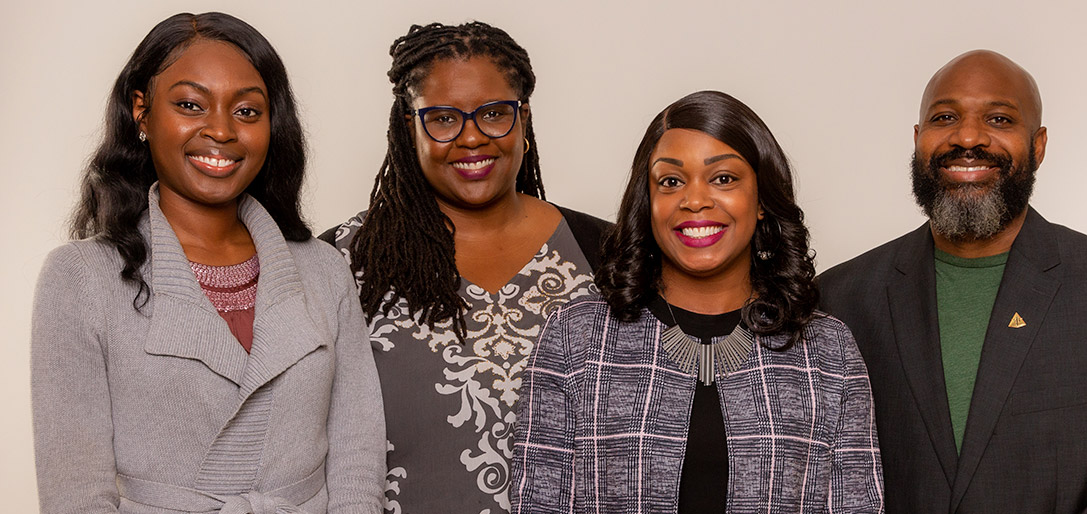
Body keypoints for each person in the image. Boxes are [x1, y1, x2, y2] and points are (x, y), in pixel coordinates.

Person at [30, 12, 385, 513]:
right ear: (141, 112)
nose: (220, 130)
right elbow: (75, 494)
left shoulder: (324, 270)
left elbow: (357, 463)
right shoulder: (79, 279)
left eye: (246, 111)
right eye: (190, 105)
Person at [818, 50, 1087, 513]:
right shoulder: (839, 299)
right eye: (945, 117)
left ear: (1039, 145)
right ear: (918, 139)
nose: (967, 136)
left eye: (999, 118)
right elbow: (813, 482)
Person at [510, 90, 883, 513]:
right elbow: (539, 503)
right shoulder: (574, 337)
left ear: (761, 200)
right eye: (670, 181)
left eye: (723, 178)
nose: (694, 200)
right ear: (647, 202)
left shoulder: (828, 351)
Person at [320, 22, 610, 513]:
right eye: (443, 118)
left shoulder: (609, 253)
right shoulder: (340, 263)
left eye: (494, 114)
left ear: (524, 119)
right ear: (408, 122)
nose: (472, 138)